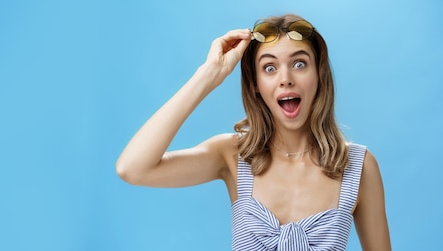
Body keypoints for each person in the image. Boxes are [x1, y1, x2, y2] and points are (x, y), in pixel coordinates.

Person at [115, 14, 391, 250]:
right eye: (269, 68)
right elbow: (133, 168)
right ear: (256, 84)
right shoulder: (232, 155)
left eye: (299, 63)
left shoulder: (359, 166)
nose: (286, 79)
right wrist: (208, 75)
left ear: (318, 75)